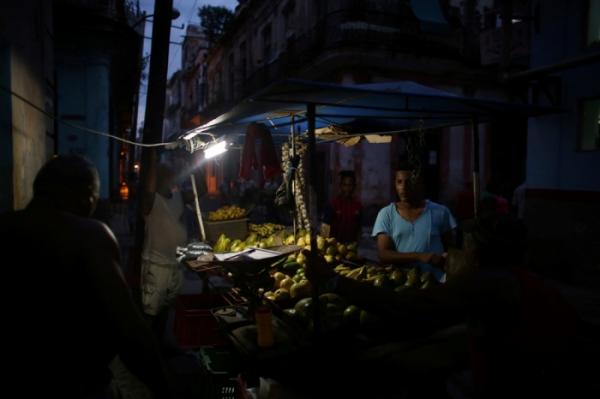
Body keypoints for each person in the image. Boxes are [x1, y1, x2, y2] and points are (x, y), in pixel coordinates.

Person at [306, 211, 582, 398]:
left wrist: (333, 281)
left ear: (474, 253)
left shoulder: (490, 282)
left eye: (461, 246)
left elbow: (404, 308)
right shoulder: (522, 279)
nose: (452, 253)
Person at [0, 155, 171, 398]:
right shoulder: (88, 235)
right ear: (86, 195)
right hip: (79, 384)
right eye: (94, 197)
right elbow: (129, 331)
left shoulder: (5, 226)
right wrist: (164, 389)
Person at [372, 161, 456, 281]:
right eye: (399, 182)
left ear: (419, 183)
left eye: (409, 182)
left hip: (437, 284)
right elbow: (383, 254)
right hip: (401, 283)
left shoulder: (441, 212)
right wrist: (419, 256)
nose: (403, 187)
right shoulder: (386, 214)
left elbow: (451, 249)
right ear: (394, 184)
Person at [140, 150, 189, 352]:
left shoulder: (177, 197)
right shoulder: (151, 202)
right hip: (156, 266)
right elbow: (148, 188)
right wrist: (152, 157)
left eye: (172, 176)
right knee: (150, 313)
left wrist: (196, 161)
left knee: (165, 310)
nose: (171, 180)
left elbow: (201, 188)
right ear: (158, 179)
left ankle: (159, 345)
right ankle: (144, 349)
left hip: (175, 265)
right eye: (167, 176)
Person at [321, 170, 362, 244]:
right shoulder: (332, 204)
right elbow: (325, 227)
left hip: (351, 250)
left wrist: (357, 243)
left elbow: (359, 229)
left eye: (350, 185)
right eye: (344, 185)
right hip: (334, 248)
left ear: (354, 186)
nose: (347, 188)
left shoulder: (358, 206)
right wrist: (324, 244)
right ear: (340, 186)